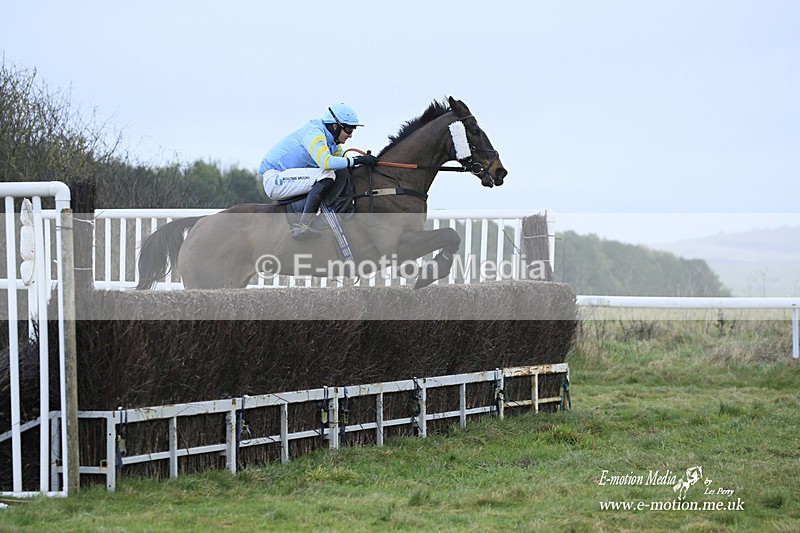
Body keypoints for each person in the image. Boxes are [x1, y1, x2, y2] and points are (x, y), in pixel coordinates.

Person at [259, 103, 378, 239]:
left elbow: (345, 161)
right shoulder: (315, 132)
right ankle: (302, 227)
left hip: (289, 179)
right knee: (327, 174)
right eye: (349, 129)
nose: (351, 135)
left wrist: (366, 162)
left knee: (339, 172)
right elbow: (326, 162)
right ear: (335, 126)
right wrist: (357, 160)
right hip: (275, 179)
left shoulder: (332, 143)